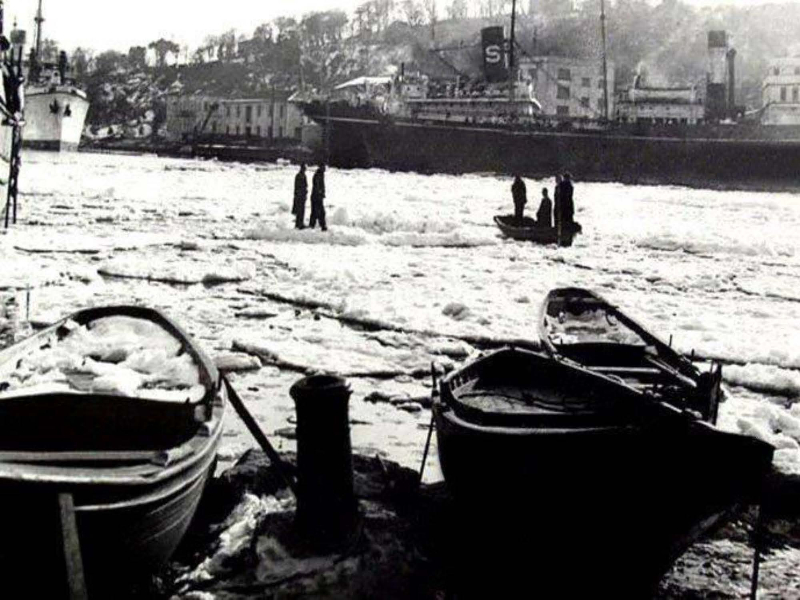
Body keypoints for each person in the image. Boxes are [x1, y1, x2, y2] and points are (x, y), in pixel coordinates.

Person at [309, 164, 327, 231]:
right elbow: (317, 186)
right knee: (320, 212)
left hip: (316, 196)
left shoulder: (320, 174)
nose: (325, 169)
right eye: (324, 167)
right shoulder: (318, 175)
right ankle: (322, 226)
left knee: (315, 212)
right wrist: (320, 193)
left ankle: (312, 225)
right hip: (316, 196)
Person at [292, 163, 308, 229]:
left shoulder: (303, 175)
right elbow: (297, 186)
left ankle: (300, 223)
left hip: (302, 195)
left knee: (302, 210)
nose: (305, 169)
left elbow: (305, 185)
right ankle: (298, 224)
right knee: (299, 210)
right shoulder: (299, 176)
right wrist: (299, 194)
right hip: (299, 196)